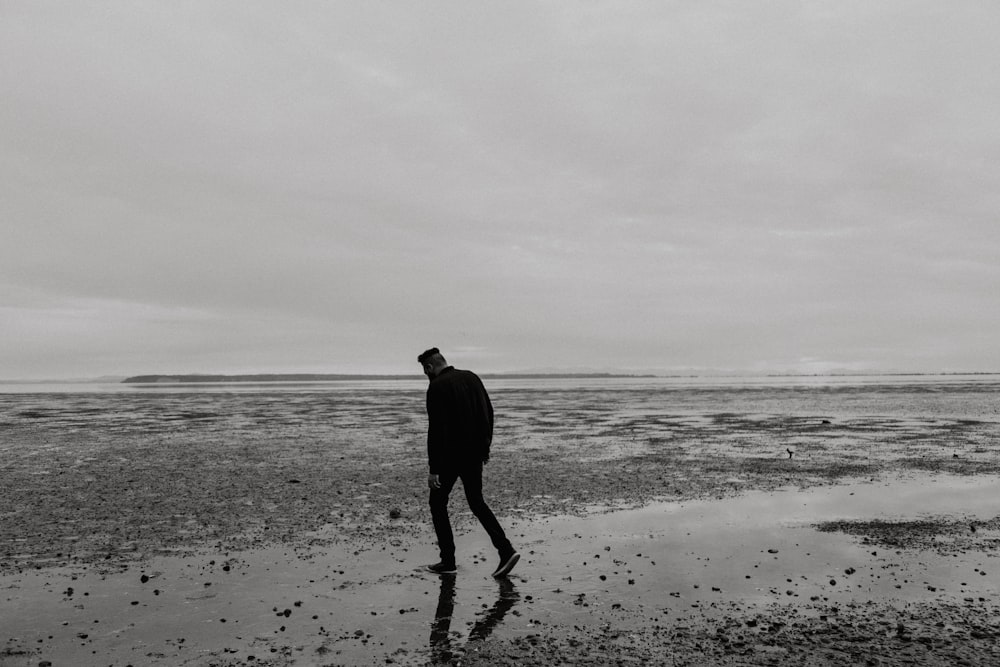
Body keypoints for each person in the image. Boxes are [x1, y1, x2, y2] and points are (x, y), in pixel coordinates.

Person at [418, 347, 519, 577]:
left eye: (425, 372)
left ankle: (448, 561)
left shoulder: (437, 386)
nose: (426, 375)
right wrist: (485, 448)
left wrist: (434, 469)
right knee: (476, 502)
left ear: (429, 367)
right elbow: (488, 413)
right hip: (474, 454)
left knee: (437, 503)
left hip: (450, 458)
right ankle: (506, 549)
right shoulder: (472, 377)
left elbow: (436, 429)